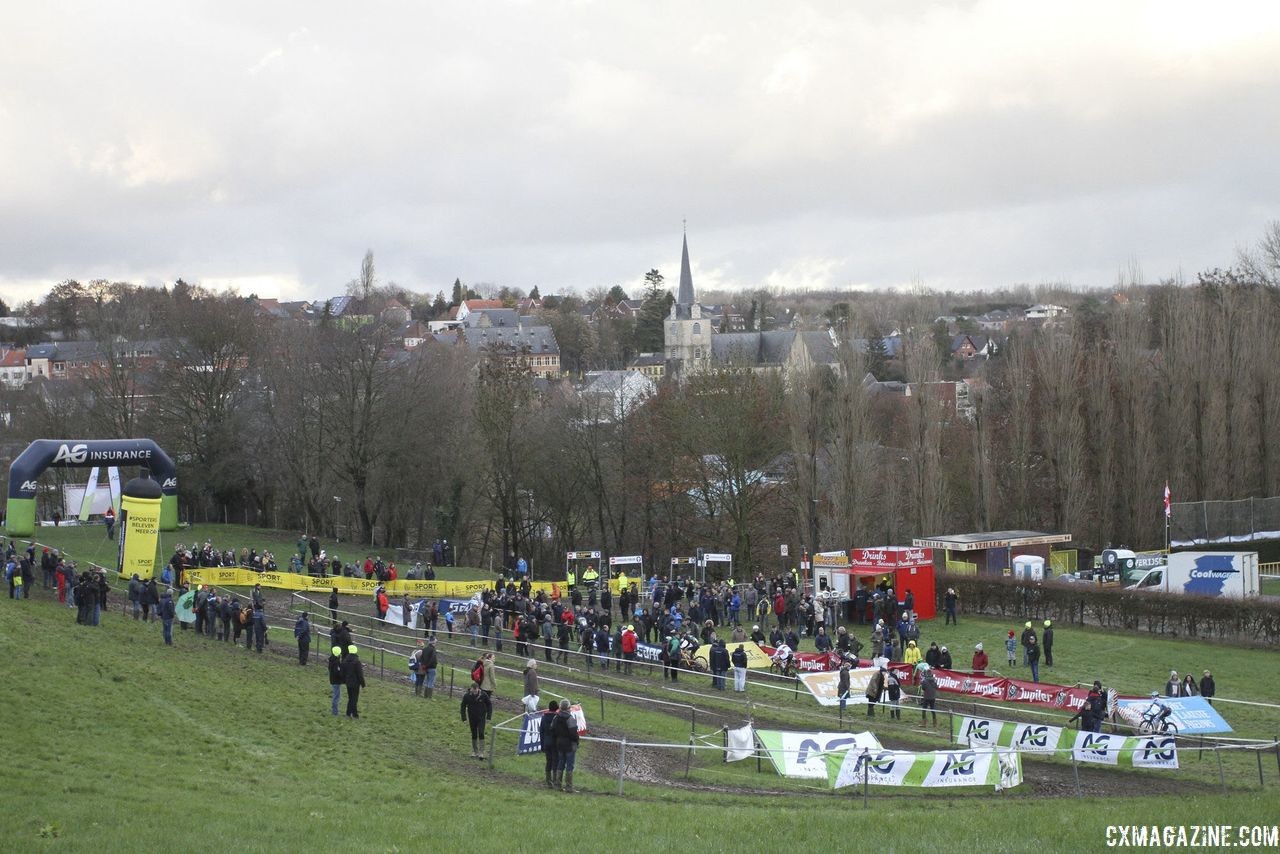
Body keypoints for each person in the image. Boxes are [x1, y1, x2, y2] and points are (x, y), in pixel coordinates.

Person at [550, 698, 579, 792]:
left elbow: (552, 730)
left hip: (559, 744)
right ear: (568, 708)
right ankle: (569, 787)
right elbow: (574, 734)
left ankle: (557, 785)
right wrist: (576, 742)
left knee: (560, 763)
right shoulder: (570, 719)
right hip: (570, 745)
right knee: (570, 766)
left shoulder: (555, 718)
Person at [460, 683, 492, 758]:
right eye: (473, 690)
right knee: (474, 733)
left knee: (481, 732)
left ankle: (481, 752)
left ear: (478, 689)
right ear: (470, 689)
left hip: (481, 718)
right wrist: (464, 718)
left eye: (475, 691)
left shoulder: (483, 695)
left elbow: (489, 705)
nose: (474, 692)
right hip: (472, 718)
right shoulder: (467, 696)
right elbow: (463, 706)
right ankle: (475, 751)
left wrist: (488, 717)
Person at [539, 698, 559, 788]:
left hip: (546, 742)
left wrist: (542, 744)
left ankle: (548, 781)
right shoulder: (557, 718)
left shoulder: (544, 717)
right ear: (557, 708)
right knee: (556, 761)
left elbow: (541, 731)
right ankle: (555, 781)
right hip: (555, 743)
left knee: (548, 761)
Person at [343, 645, 366, 718]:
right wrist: (363, 684)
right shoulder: (357, 661)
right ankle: (355, 715)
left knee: (350, 698)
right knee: (354, 699)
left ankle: (348, 713)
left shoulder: (345, 660)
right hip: (355, 683)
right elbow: (360, 674)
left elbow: (343, 672)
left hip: (348, 682)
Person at [328, 645, 344, 715]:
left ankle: (334, 711)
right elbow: (337, 672)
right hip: (336, 681)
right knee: (336, 696)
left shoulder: (331, 659)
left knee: (336, 695)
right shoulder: (336, 662)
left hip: (332, 680)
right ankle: (335, 712)